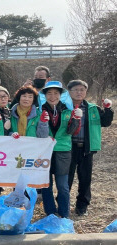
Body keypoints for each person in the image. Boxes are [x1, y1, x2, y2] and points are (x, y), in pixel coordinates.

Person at [67, 80, 114, 216]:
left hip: (86, 149)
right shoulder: (64, 108)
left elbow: (105, 123)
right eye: (75, 89)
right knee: (66, 179)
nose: (79, 92)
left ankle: (82, 207)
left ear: (86, 92)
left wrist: (108, 109)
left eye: (82, 89)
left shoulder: (93, 108)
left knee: (85, 178)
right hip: (68, 148)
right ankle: (64, 204)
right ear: (69, 92)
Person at [39, 81, 80, 218]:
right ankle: (50, 213)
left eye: (56, 93)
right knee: (46, 185)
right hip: (45, 151)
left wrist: (76, 120)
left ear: (61, 95)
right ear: (44, 95)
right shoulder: (40, 110)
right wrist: (42, 122)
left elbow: (71, 132)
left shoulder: (68, 110)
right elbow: (40, 134)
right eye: (49, 93)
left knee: (63, 186)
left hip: (63, 151)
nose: (52, 96)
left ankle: (64, 213)